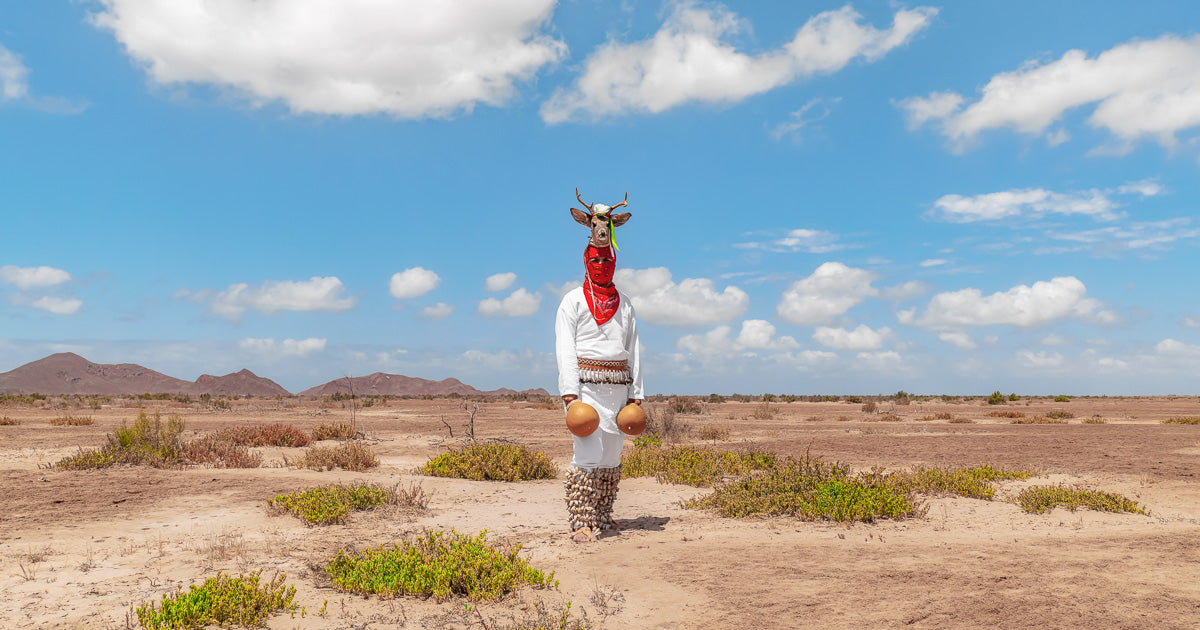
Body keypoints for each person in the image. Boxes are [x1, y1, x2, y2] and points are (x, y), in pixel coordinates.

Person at [555, 242, 643, 542]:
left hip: (618, 391)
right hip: (585, 389)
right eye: (596, 259)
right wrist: (570, 393)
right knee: (588, 452)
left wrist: (636, 392)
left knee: (612, 454)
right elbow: (565, 348)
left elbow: (633, 349)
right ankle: (582, 521)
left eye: (607, 259)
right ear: (585, 261)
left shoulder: (626, 304)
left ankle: (603, 517)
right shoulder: (573, 301)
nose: (602, 264)